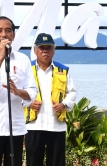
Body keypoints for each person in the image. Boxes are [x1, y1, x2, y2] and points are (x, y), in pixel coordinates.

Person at [0, 16, 38, 166]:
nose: (4, 34)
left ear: (13, 35)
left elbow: (32, 92)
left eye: (8, 30)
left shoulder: (22, 59)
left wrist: (17, 92)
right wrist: (1, 57)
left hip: (15, 127)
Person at [24, 33, 77, 166]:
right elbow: (16, 93)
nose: (45, 51)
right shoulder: (26, 70)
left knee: (57, 162)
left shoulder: (63, 70)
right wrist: (29, 103)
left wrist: (63, 104)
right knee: (33, 162)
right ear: (35, 50)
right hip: (34, 125)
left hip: (56, 125)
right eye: (42, 48)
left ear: (53, 51)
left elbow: (72, 92)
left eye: (49, 48)